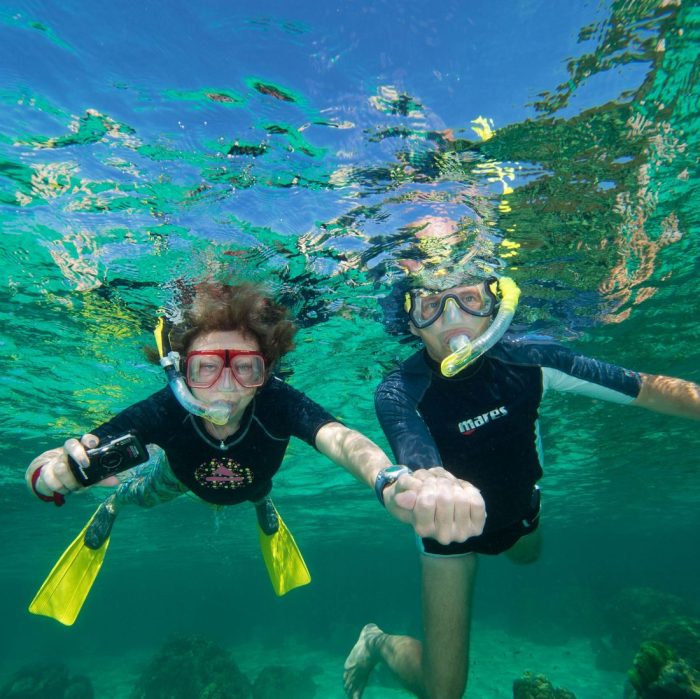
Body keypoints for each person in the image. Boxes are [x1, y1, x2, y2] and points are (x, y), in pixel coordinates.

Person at [26, 281, 484, 624]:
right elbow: (60, 458)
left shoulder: (278, 400)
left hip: (254, 483)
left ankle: (262, 501)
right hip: (177, 479)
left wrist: (388, 480)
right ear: (182, 374)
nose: (227, 387)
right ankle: (113, 505)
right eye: (207, 368)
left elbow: (341, 440)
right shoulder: (167, 408)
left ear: (266, 372)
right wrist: (50, 473)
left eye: (245, 368)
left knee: (258, 488)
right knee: (134, 492)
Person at [343, 258, 700, 699]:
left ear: (496, 306)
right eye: (432, 305)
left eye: (469, 299)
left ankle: (526, 507)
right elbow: (414, 453)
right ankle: (376, 639)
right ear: (413, 324)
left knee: (527, 555)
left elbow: (643, 388)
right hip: (446, 529)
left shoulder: (533, 360)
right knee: (443, 692)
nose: (453, 318)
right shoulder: (400, 390)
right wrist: (431, 482)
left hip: (519, 507)